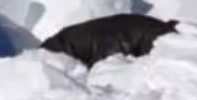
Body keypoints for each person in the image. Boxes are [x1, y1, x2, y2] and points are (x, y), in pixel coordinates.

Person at [40, 14, 179, 69]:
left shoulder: (72, 40)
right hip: (130, 31)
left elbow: (111, 62)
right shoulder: (70, 41)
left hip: (141, 33)